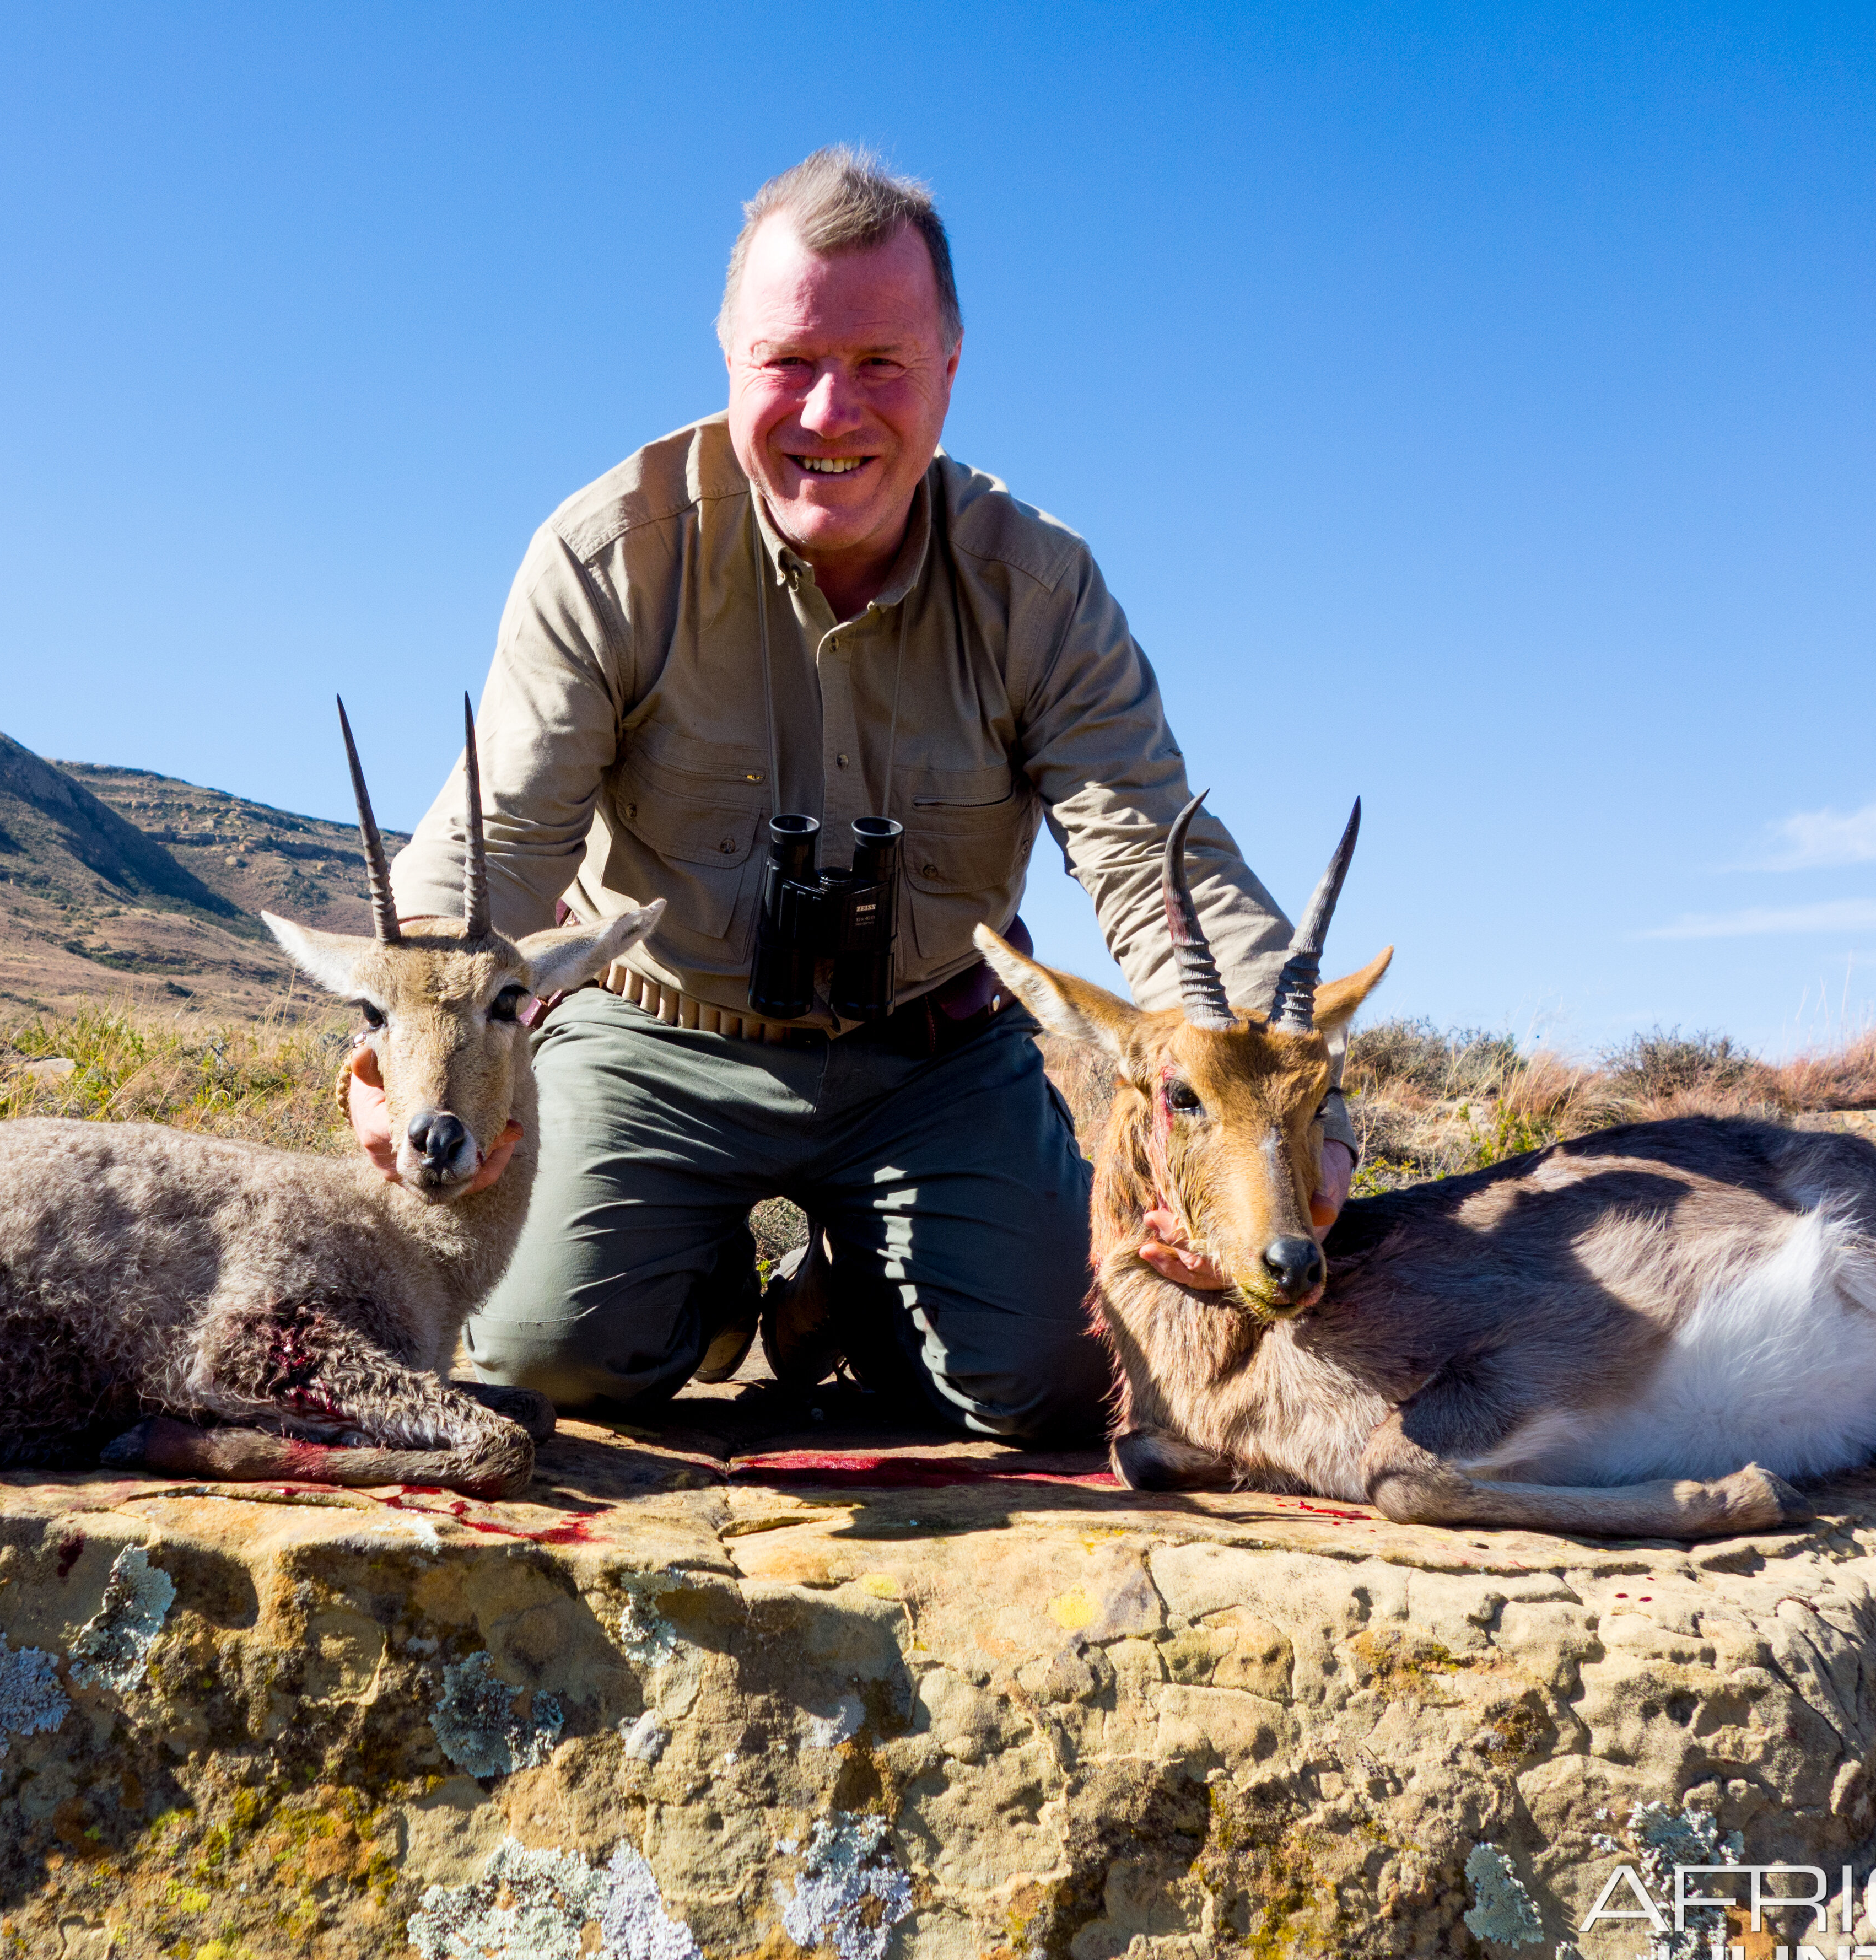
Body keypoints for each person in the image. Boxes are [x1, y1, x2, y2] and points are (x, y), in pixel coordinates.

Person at [366, 146, 1355, 1442]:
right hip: (656, 1039)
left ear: (949, 369)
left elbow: (1155, 864)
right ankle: (702, 1269)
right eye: (789, 364)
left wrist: (1290, 1102)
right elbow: (488, 854)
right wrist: (407, 1060)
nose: (831, 413)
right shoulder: (607, 556)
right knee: (546, 1354)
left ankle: (851, 1296)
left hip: (932, 1061)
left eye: (881, 365)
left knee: (1068, 1383)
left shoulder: (1041, 592)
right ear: (728, 356)